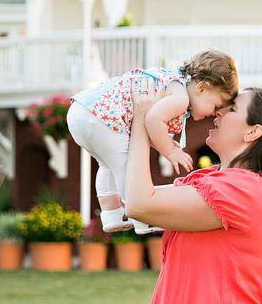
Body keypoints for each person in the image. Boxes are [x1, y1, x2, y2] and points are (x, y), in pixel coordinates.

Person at [124, 85, 262, 304]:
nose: (217, 112)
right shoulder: (216, 182)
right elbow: (132, 203)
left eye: (231, 109)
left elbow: (138, 203)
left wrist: (144, 122)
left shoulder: (244, 191)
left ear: (253, 131)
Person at [67, 49, 238, 234]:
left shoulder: (173, 83)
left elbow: (149, 124)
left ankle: (111, 215)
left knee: (107, 164)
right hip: (102, 117)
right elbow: (152, 120)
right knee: (126, 166)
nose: (214, 113)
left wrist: (161, 142)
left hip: (82, 112)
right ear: (201, 88)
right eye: (216, 106)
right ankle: (142, 216)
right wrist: (170, 152)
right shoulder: (180, 98)